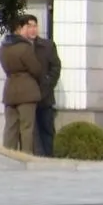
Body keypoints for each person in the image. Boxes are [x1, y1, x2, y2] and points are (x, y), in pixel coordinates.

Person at [0, 14, 43, 153]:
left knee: (10, 127)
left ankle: (7, 155)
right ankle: (26, 156)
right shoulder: (25, 47)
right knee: (26, 128)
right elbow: (36, 69)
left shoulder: (3, 48)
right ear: (19, 29)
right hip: (27, 90)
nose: (30, 30)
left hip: (10, 89)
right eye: (26, 27)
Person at [31, 19, 62, 157]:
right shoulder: (23, 47)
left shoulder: (47, 46)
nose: (32, 29)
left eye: (35, 26)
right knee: (31, 131)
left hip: (45, 96)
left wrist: (48, 82)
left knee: (47, 129)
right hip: (28, 96)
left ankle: (50, 157)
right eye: (29, 26)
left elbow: (56, 67)